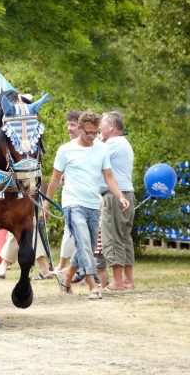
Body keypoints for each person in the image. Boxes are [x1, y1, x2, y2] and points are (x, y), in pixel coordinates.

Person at [44, 111, 130, 300]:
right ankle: (93, 286)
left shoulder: (101, 149)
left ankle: (67, 277)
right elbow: (55, 179)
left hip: (93, 204)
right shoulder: (65, 150)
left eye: (94, 133)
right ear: (80, 128)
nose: (91, 136)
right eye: (88, 132)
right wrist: (47, 205)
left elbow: (108, 176)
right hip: (72, 203)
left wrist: (120, 196)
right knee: (82, 241)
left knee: (87, 247)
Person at [99, 111, 136, 290]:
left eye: (102, 124)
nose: (99, 127)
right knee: (124, 237)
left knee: (112, 237)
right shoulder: (124, 143)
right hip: (128, 193)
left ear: (111, 127)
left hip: (114, 196)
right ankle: (128, 280)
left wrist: (97, 139)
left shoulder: (111, 143)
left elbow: (93, 156)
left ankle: (117, 281)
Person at [55, 110, 81, 272]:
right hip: (70, 197)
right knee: (70, 231)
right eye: (68, 125)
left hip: (85, 198)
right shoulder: (67, 148)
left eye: (72, 125)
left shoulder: (90, 146)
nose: (69, 128)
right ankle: (65, 265)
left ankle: (67, 266)